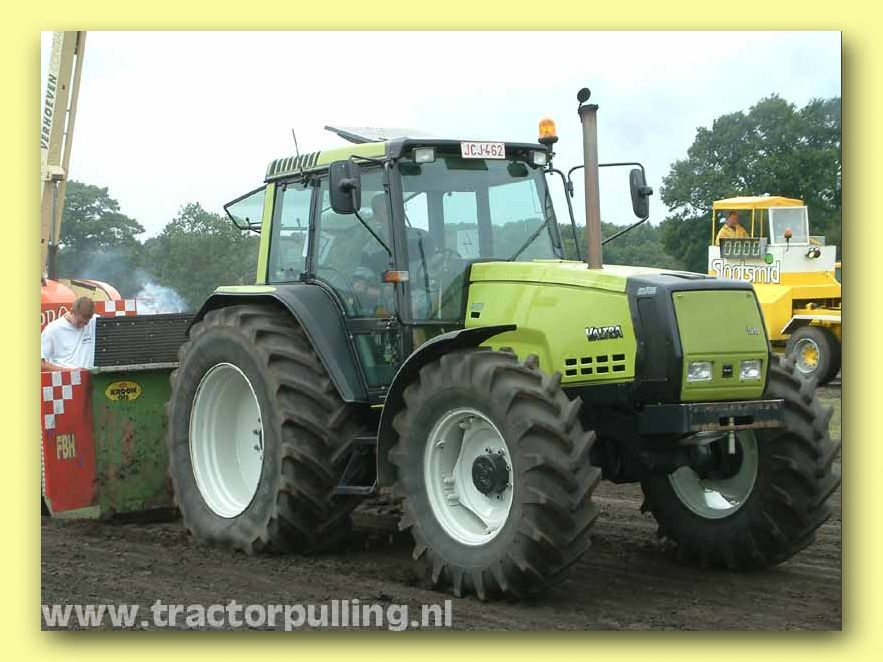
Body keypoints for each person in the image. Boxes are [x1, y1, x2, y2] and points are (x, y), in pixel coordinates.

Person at [41, 297, 97, 371]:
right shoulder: (52, 329)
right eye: (79, 322)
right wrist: (70, 371)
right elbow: (41, 363)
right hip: (64, 376)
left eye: (86, 323)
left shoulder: (95, 321)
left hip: (90, 375)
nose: (82, 326)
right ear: (71, 311)